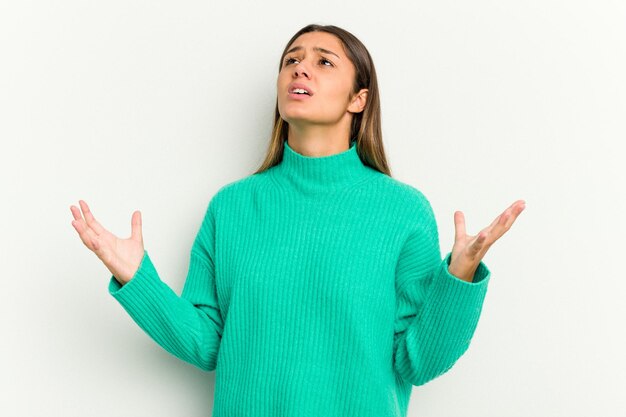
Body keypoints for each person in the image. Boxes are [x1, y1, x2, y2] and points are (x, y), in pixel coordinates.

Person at [70, 23, 525, 417]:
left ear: (359, 99)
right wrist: (135, 279)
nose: (300, 69)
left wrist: (460, 277)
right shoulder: (231, 207)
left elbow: (418, 362)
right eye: (291, 59)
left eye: (324, 62)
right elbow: (207, 343)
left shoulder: (402, 210)